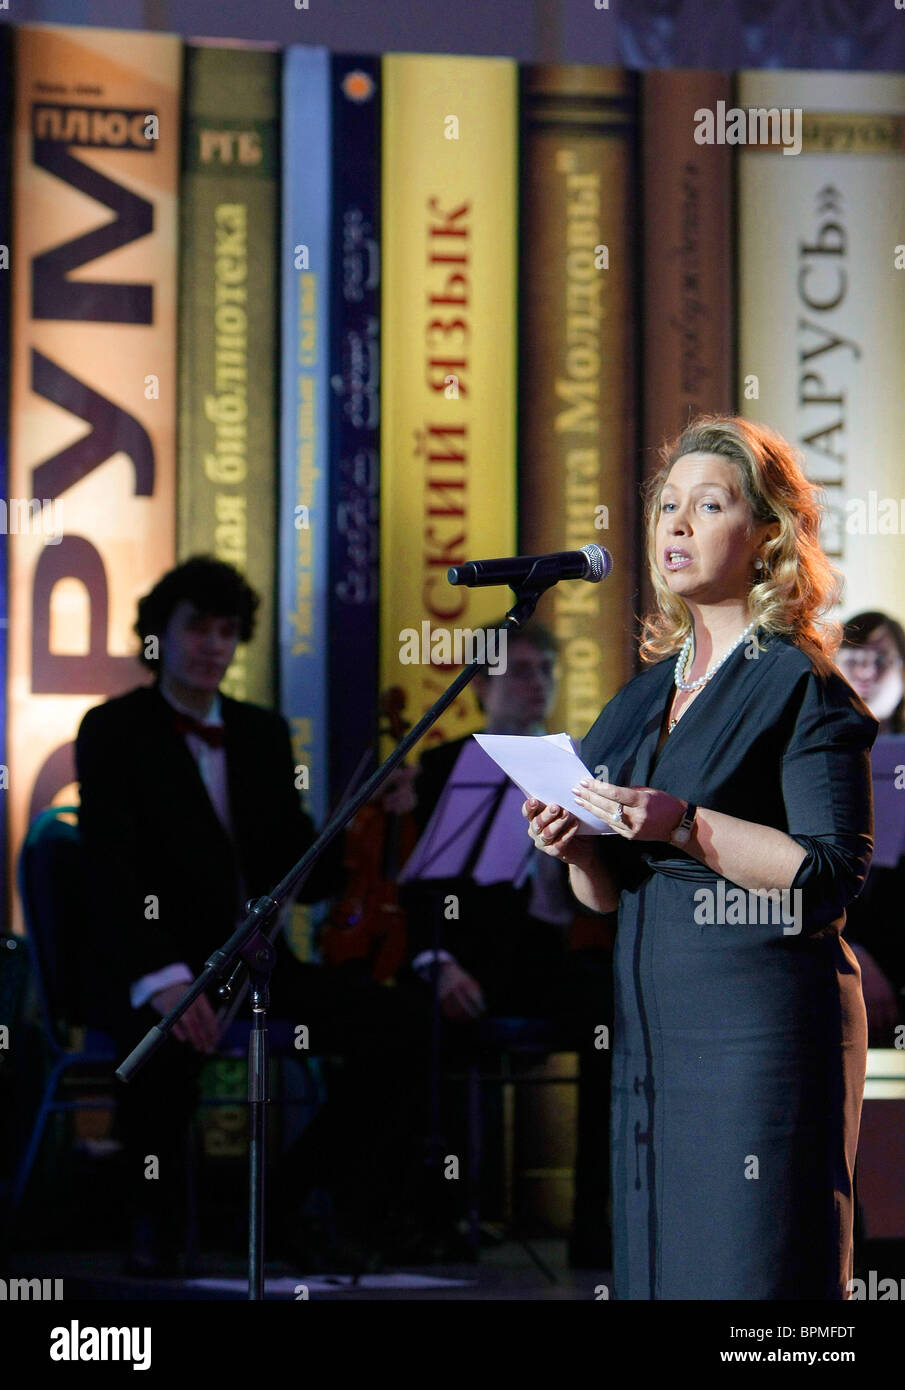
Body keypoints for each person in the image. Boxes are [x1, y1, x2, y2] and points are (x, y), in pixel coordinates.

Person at [522, 415, 876, 1300]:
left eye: (707, 504)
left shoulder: (798, 681)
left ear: (766, 537)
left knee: (751, 1272)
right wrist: (577, 850)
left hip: (760, 1035)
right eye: (666, 506)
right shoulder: (640, 699)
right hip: (653, 1034)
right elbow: (602, 897)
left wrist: (682, 824)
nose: (675, 524)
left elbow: (828, 875)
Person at [76, 556, 429, 1275]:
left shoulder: (261, 734)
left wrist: (368, 818)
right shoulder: (113, 729)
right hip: (152, 966)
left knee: (405, 1030)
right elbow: (110, 874)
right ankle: (157, 1229)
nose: (212, 646)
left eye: (227, 631)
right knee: (164, 1042)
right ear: (158, 636)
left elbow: (308, 869)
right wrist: (166, 978)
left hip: (253, 968)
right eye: (196, 628)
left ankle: (283, 1204)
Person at [403, 623, 614, 1265]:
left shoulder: (577, 764)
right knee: (424, 1027)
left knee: (615, 1010)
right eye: (520, 670)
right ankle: (438, 1224)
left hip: (553, 956)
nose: (537, 684)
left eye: (545, 670)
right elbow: (418, 883)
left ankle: (595, 1227)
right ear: (483, 684)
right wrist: (438, 964)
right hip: (472, 963)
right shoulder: (441, 767)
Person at [835, 611, 905, 1043]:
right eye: (854, 656)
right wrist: (853, 952)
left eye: (881, 659)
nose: (866, 670)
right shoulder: (805, 747)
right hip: (836, 950)